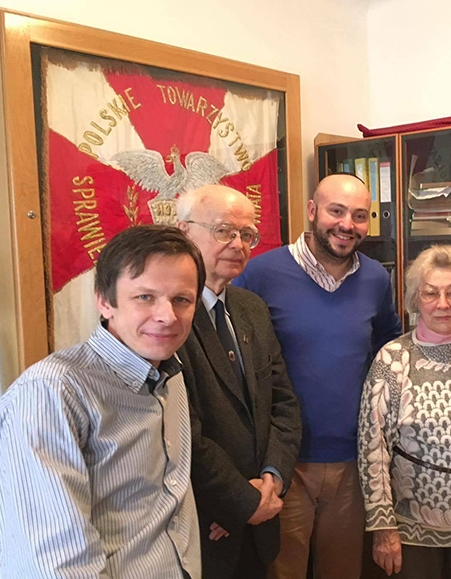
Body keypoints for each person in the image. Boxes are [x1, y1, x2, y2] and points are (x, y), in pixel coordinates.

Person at [0, 225, 204, 579]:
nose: (167, 316)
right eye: (145, 297)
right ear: (104, 300)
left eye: (182, 299)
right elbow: (54, 565)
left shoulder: (169, 376)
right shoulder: (50, 393)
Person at [232, 173, 403, 579]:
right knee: (282, 571)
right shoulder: (259, 274)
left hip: (352, 462)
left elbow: (391, 347)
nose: (347, 225)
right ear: (312, 211)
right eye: (336, 211)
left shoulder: (376, 278)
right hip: (282, 464)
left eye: (360, 215)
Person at [176, 184, 302, 579]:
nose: (238, 244)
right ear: (183, 232)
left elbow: (283, 403)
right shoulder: (168, 318)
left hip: (261, 518)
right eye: (223, 231)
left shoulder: (251, 308)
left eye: (247, 234)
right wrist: (239, 501)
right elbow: (184, 434)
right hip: (204, 526)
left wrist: (272, 483)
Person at [358, 245, 451, 579]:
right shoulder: (392, 360)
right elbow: (372, 448)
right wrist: (382, 528)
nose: (442, 304)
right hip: (411, 534)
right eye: (430, 293)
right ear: (414, 299)